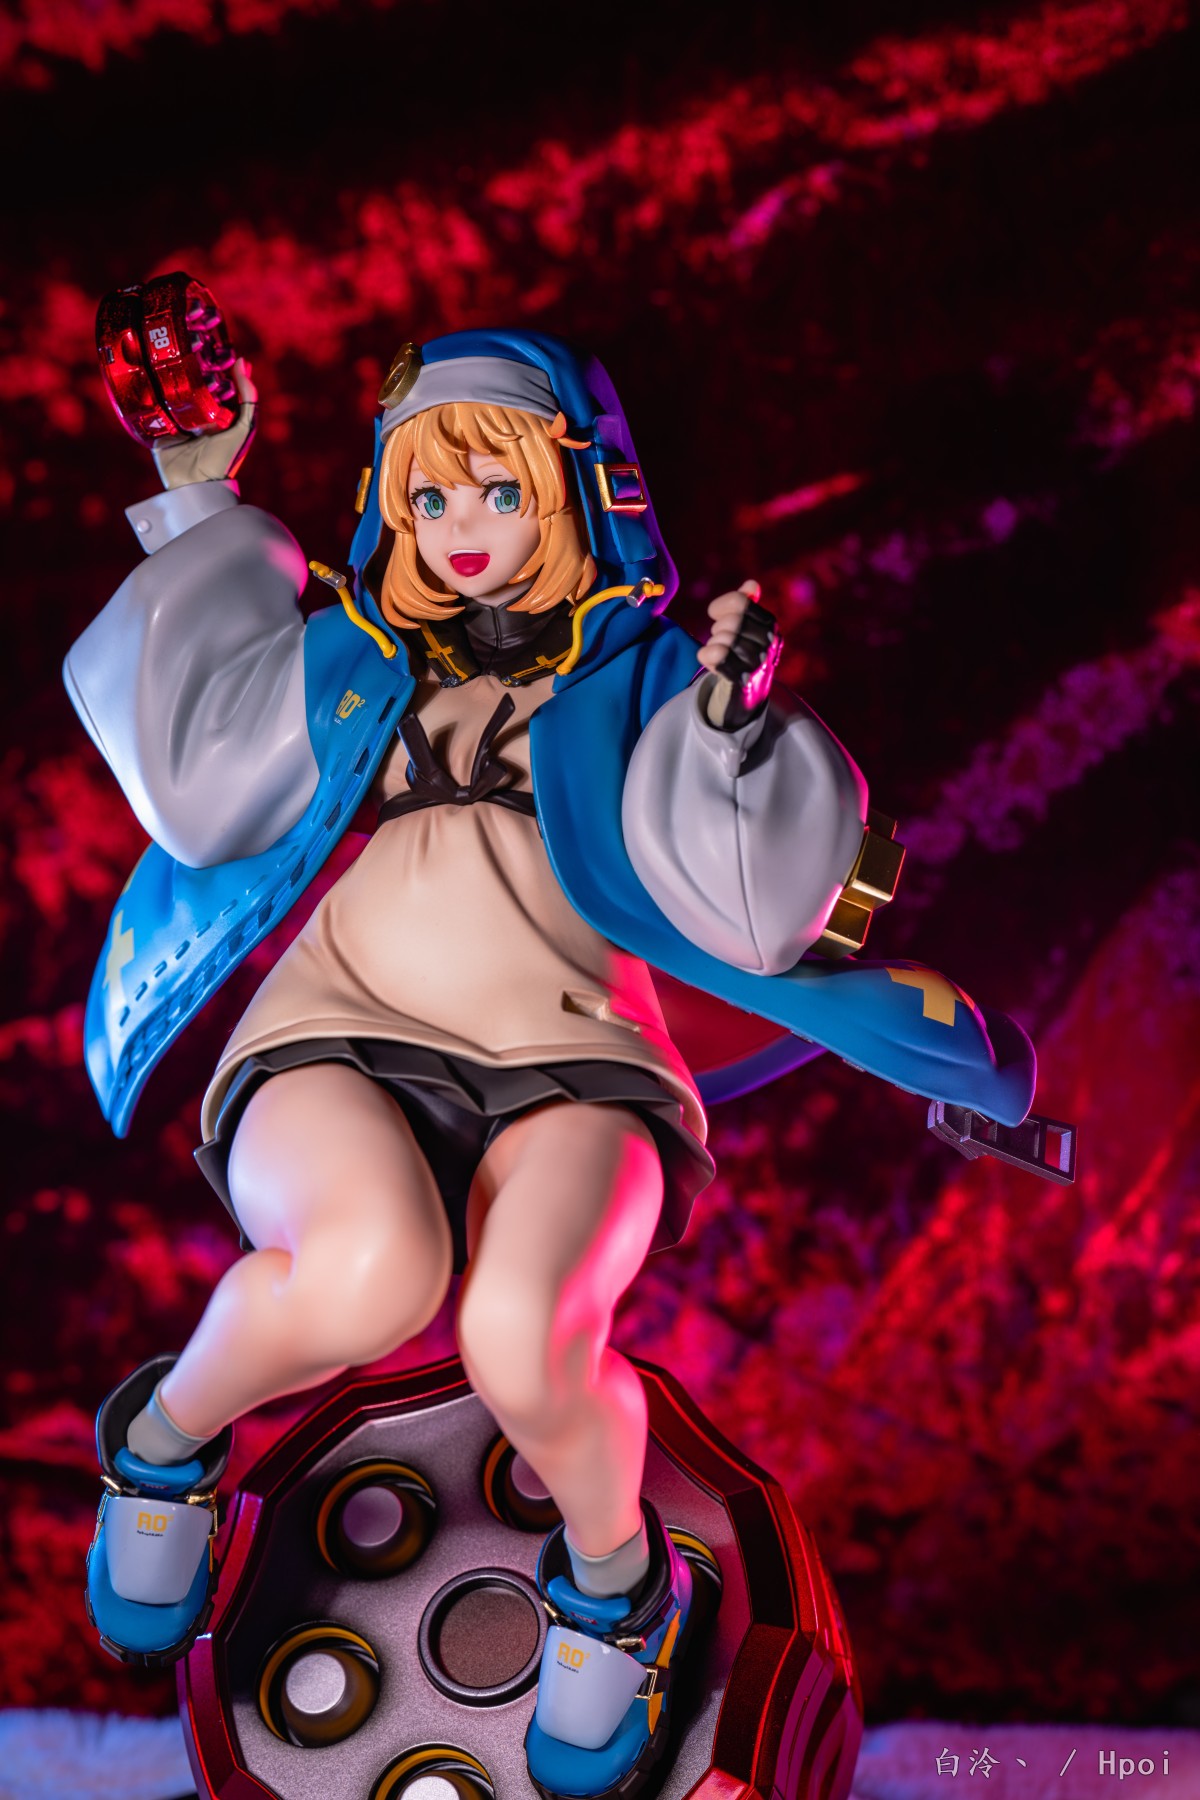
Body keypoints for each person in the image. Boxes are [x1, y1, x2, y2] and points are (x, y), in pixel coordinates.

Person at [65, 327, 1037, 1800]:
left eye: (499, 493)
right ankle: (164, 1438)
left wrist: (731, 728)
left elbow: (754, 909)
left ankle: (617, 1588)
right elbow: (201, 780)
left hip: (577, 1051)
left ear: (580, 495)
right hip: (346, 1026)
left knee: (526, 1335)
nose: (460, 529)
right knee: (366, 1274)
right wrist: (199, 493)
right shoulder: (357, 654)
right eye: (428, 497)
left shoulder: (642, 678)